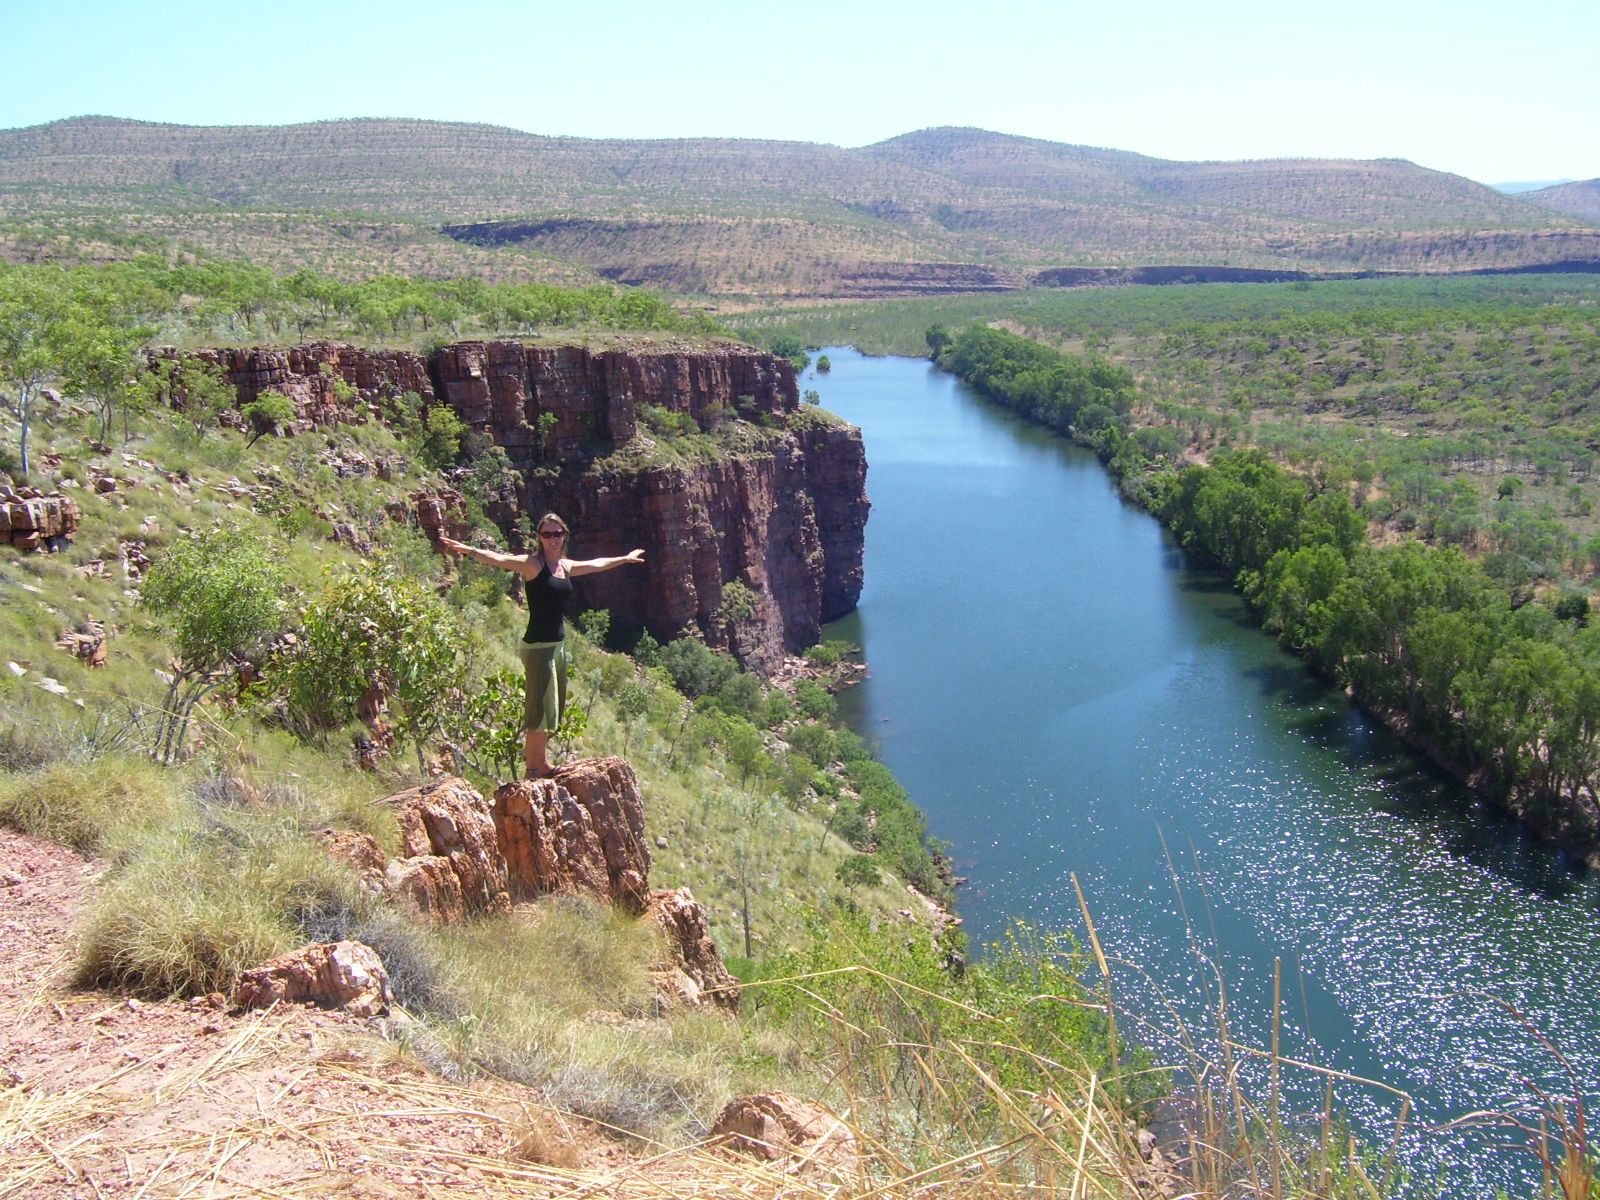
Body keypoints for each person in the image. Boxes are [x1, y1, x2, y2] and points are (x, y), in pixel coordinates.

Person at [439, 514, 644, 778]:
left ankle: (541, 762)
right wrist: (469, 551)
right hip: (538, 646)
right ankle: (534, 767)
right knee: (539, 705)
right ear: (539, 538)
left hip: (556, 646)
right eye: (547, 534)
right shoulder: (532, 565)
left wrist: (624, 559)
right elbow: (499, 559)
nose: (552, 539)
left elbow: (595, 564)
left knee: (550, 706)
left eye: (557, 533)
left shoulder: (565, 567)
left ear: (564, 535)